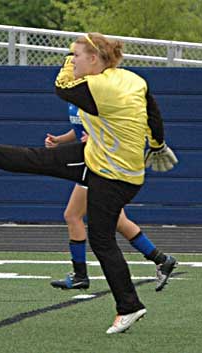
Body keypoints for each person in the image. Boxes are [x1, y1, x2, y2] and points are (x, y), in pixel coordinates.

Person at [0, 32, 178, 334]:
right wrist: (158, 144)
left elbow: (62, 87)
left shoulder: (100, 85)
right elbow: (153, 111)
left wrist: (67, 67)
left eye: (77, 54)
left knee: (102, 239)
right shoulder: (130, 78)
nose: (72, 59)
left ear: (94, 59)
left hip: (113, 177)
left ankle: (130, 306)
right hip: (97, 157)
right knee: (34, 158)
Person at [45, 103, 177, 292]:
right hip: (95, 162)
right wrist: (59, 140)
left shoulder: (95, 93)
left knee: (73, 215)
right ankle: (162, 260)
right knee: (118, 220)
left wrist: (96, 138)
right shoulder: (74, 95)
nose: (71, 72)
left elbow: (114, 126)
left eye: (73, 70)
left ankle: (80, 275)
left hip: (99, 163)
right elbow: (80, 128)